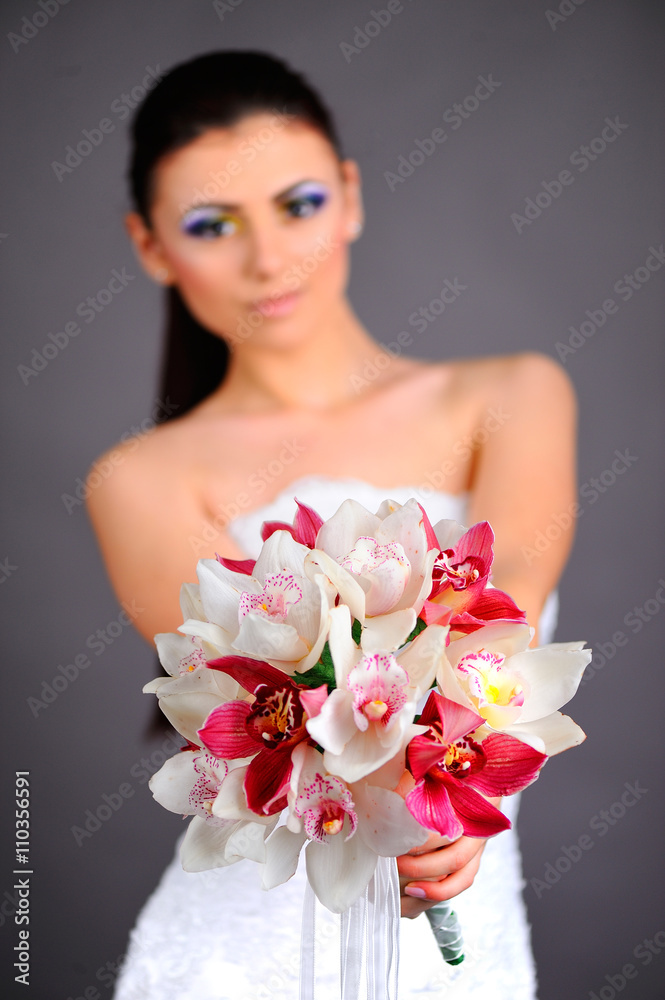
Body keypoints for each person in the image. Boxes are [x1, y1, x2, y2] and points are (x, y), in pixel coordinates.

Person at [86, 51, 577, 1000]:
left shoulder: (511, 395)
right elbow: (248, 685)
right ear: (151, 246)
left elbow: (502, 598)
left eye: (298, 204)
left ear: (349, 197)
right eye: (210, 225)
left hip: (459, 921)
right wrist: (401, 804)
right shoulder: (136, 479)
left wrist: (434, 795)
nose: (267, 258)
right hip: (239, 960)